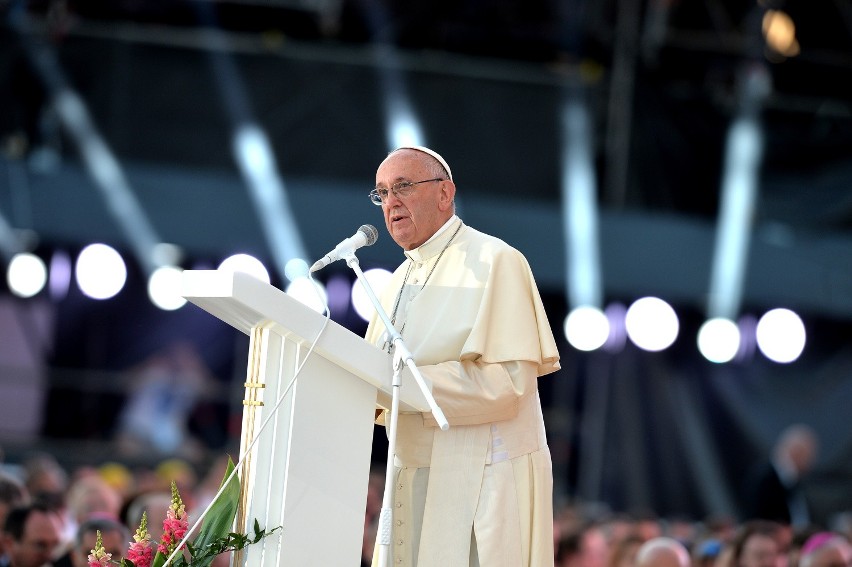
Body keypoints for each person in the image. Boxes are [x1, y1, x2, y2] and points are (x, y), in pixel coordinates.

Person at [364, 146, 560, 566]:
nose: (391, 201)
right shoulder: (396, 280)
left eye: (403, 186)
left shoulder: (497, 261)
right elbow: (373, 380)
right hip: (408, 472)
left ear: (444, 193)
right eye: (382, 193)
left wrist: (406, 385)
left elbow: (509, 383)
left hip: (482, 475)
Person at [743, 424, 819, 528]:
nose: (811, 462)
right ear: (797, 452)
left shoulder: (795, 482)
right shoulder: (765, 479)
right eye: (809, 455)